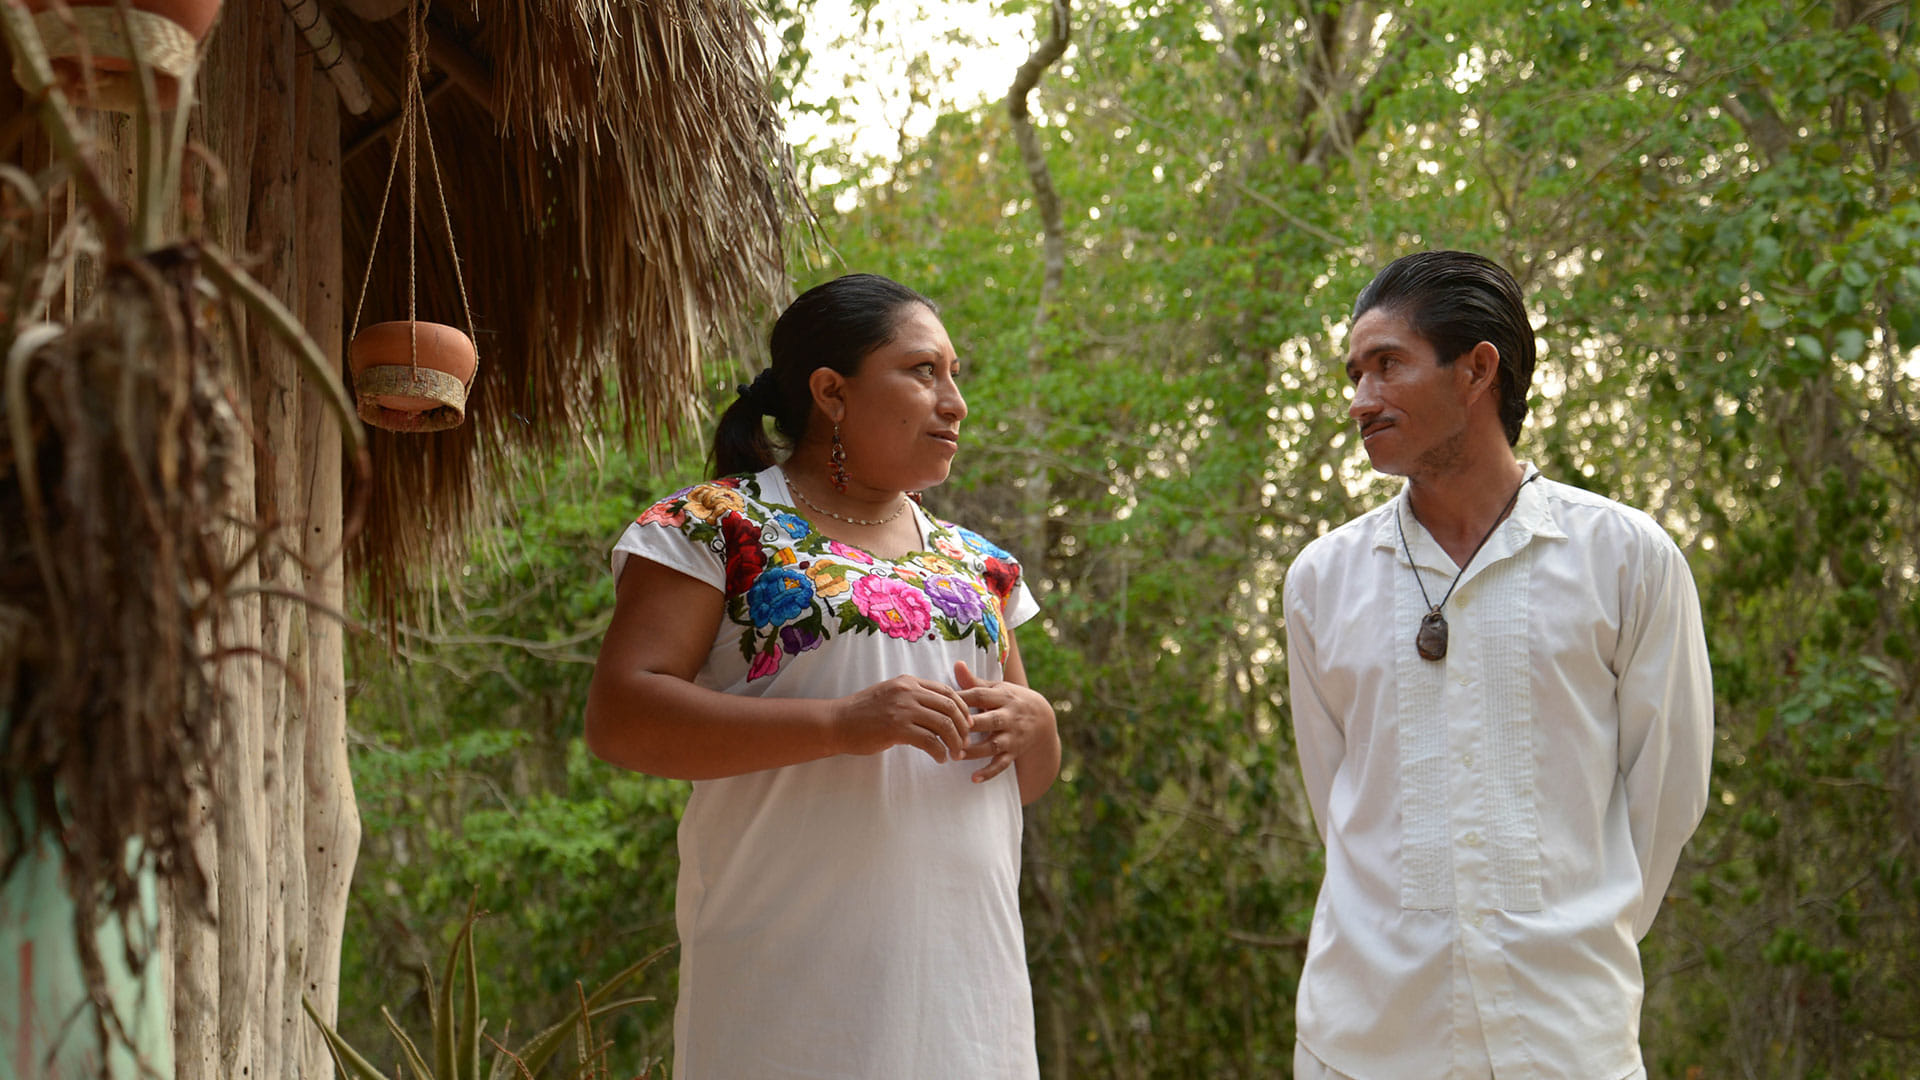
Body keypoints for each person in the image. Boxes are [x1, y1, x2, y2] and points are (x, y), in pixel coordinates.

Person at [585, 273, 1058, 1079]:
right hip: (788, 992)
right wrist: (840, 724)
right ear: (831, 392)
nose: (955, 403)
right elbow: (621, 718)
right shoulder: (715, 526)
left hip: (967, 999)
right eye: (923, 371)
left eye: (955, 375)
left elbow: (1022, 779)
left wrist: (1038, 723)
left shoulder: (980, 564)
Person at [1281, 250, 1714, 1080]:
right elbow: (1338, 798)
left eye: (1386, 365)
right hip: (1366, 1045)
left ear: (1478, 370)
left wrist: (1573, 933)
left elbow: (1667, 795)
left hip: (1568, 1045)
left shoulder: (1627, 559)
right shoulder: (1321, 582)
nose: (1360, 399)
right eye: (1354, 374)